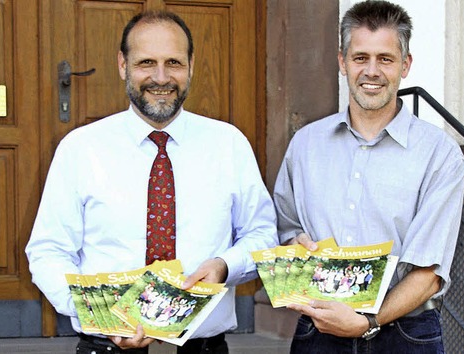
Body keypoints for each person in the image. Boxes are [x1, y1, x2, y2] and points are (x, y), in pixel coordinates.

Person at [25, 10, 277, 354]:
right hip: (107, 344)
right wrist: (99, 314)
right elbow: (48, 252)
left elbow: (262, 236)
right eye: (146, 63)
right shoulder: (81, 148)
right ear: (122, 65)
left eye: (173, 62)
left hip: (201, 346)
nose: (161, 77)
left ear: (191, 65)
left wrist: (224, 267)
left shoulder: (228, 144)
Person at [272, 1, 464, 353]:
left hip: (405, 333)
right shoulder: (305, 145)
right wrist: (294, 243)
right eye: (360, 57)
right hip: (319, 330)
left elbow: (429, 271)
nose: (372, 71)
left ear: (405, 65)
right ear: (342, 62)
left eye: (386, 59)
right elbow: (285, 227)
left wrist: (368, 322)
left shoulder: (440, 154)